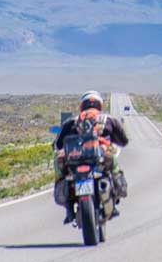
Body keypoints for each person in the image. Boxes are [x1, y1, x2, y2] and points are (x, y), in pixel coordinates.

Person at [53, 91, 129, 224]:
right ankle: (115, 199)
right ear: (100, 105)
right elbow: (123, 141)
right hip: (99, 158)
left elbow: (58, 144)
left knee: (60, 170)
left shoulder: (70, 122)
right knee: (114, 167)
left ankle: (69, 208)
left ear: (82, 105)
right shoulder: (108, 120)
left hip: (74, 161)